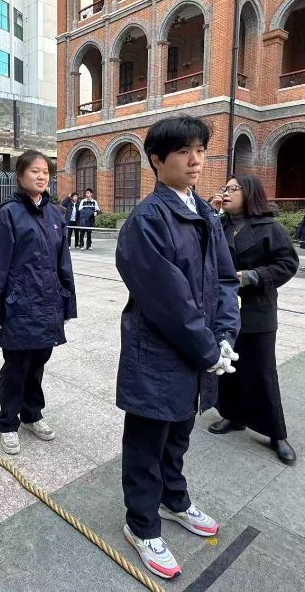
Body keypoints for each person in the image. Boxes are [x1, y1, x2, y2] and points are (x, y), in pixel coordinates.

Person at [115, 116, 240, 581]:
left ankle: (174, 499)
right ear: (157, 160)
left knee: (179, 434)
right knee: (148, 443)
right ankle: (141, 524)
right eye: (184, 152)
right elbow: (168, 301)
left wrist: (226, 335)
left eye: (200, 151)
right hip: (158, 353)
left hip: (197, 351)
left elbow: (225, 280)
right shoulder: (148, 220)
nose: (195, 161)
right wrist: (210, 349)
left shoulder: (204, 212)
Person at [0, 150, 76, 456]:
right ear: (20, 176)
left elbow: (64, 263)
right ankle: (8, 423)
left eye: (46, 172)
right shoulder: (7, 215)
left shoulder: (55, 215)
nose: (41, 176)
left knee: (38, 363)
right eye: (35, 171)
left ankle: (32, 414)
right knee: (16, 367)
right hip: (19, 306)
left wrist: (67, 304)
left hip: (48, 303)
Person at [208, 174, 299, 464]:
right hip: (224, 309)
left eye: (233, 188)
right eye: (225, 188)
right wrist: (210, 212)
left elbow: (288, 264)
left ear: (250, 193)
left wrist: (251, 276)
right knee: (227, 366)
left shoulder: (269, 227)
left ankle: (276, 433)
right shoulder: (218, 224)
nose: (227, 192)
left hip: (257, 308)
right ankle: (232, 415)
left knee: (262, 371)